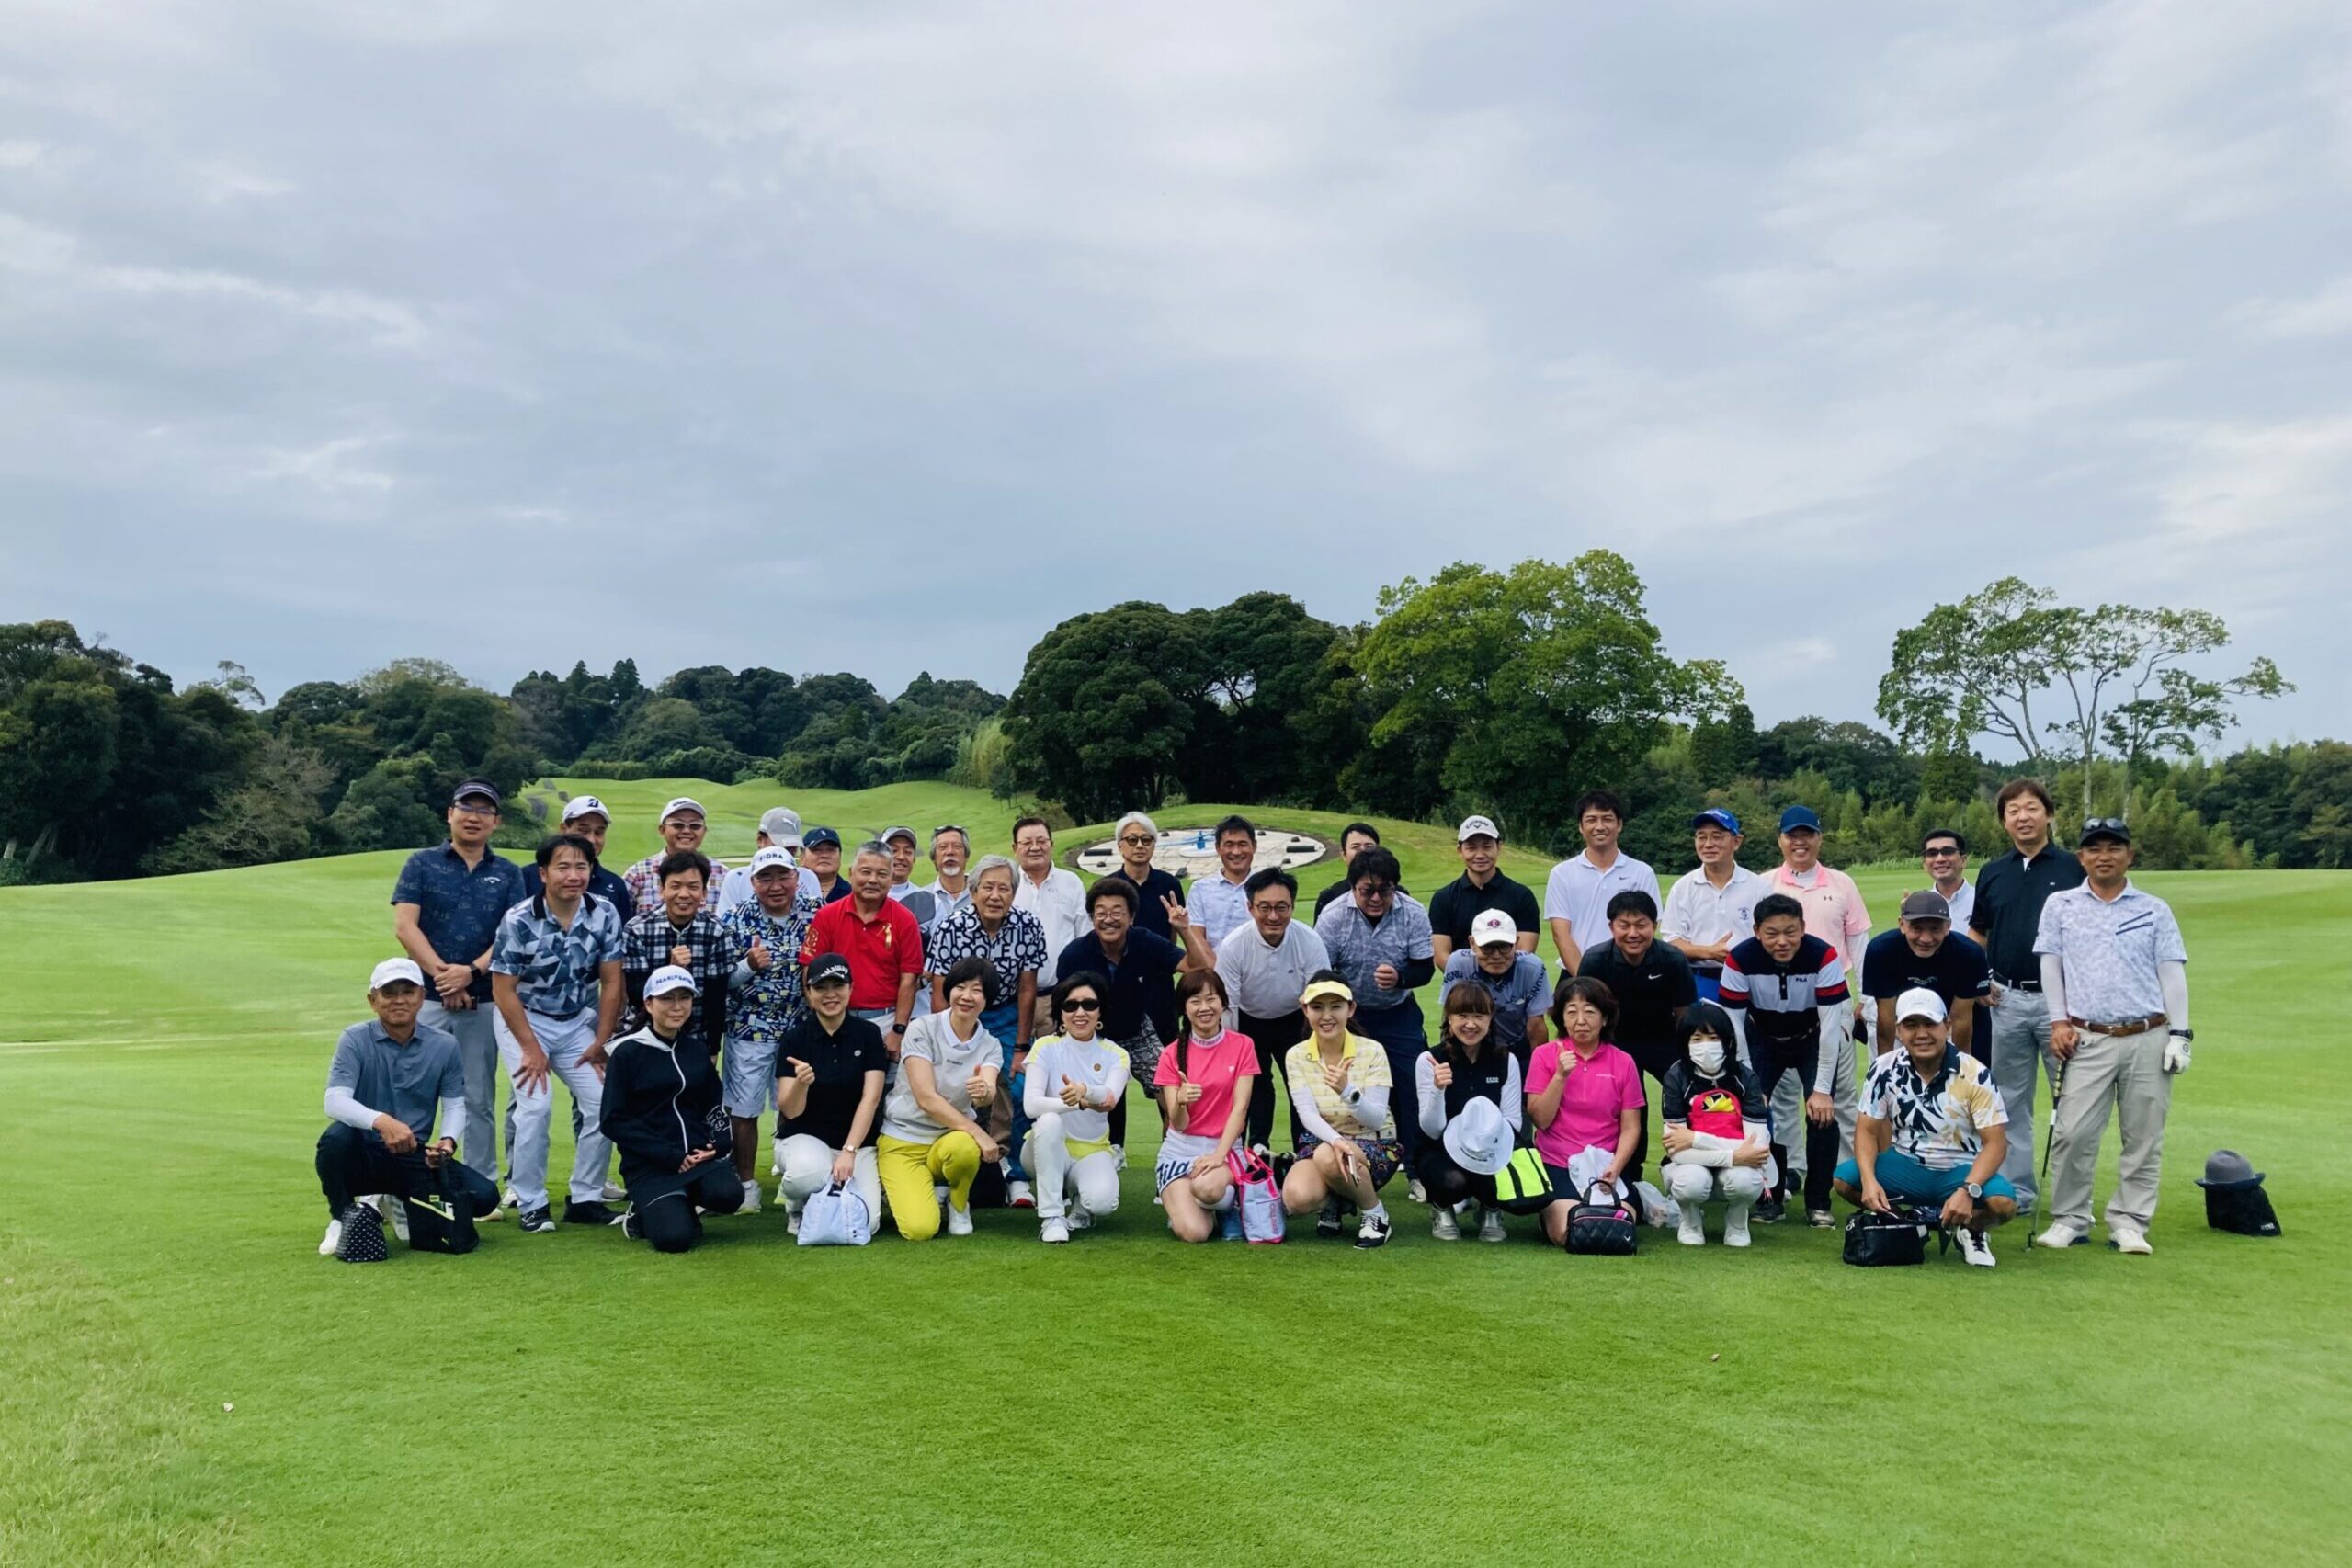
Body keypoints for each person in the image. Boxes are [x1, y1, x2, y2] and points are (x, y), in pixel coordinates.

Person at [2034, 818, 2193, 1255]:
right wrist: (2058, 1022)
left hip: (2148, 1034)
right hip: (2086, 1035)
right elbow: (2051, 966)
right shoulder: (2061, 905)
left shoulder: (2154, 909)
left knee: (2143, 1135)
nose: (2104, 856)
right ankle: (2070, 1218)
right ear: (2081, 857)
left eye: (2114, 848)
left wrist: (2181, 1034)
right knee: (2073, 1132)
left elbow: (2171, 973)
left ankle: (2130, 1221)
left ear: (2130, 855)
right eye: (2094, 849)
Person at [391, 778, 528, 1188]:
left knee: (478, 1097)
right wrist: (445, 977)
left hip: (483, 1000)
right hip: (425, 1000)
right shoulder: (421, 863)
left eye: (484, 811)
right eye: (466, 808)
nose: (474, 817)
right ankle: (403, 1182)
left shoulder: (508, 873)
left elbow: (512, 934)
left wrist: (470, 972)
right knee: (411, 1092)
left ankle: (480, 1184)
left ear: (496, 821)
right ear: (450, 814)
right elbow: (405, 926)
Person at [315, 959, 499, 1261]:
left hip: (413, 1153)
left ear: (421, 997)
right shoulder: (355, 1039)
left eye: (408, 992)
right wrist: (382, 1122)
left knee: (485, 1198)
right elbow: (334, 1100)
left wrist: (448, 1141)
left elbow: (454, 1103)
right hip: (363, 1151)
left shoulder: (444, 1045)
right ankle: (342, 1217)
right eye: (389, 993)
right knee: (335, 1139)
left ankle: (399, 1201)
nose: (399, 1000)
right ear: (373, 1001)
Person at [488, 833, 627, 1233]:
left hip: (576, 1021)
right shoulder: (519, 919)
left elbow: (612, 982)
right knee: (536, 1107)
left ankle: (585, 1197)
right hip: (524, 1019)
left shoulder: (604, 913)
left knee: (603, 1103)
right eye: (563, 867)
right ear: (543, 873)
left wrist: (601, 1041)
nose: (573, 875)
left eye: (581, 866)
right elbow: (503, 989)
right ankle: (531, 1201)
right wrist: (531, 1049)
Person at [1968, 778, 2086, 1214]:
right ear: (2003, 821)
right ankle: (2017, 1194)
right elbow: (1978, 932)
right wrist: (1979, 981)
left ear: (2049, 815)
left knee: (2074, 1103)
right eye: (2013, 811)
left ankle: (2072, 1202)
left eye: (2032, 808)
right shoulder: (1993, 872)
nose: (2023, 817)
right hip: (2007, 1001)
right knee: (2009, 1103)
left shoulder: (2074, 868)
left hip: (2064, 1007)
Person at [1835, 988, 2017, 1267]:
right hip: (1906, 1164)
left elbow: (1996, 1143)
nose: (1921, 1034)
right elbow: (1867, 1130)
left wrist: (1967, 1190)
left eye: (1930, 1024)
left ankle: (1971, 1229)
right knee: (1844, 1180)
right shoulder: (1883, 1068)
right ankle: (1906, 1225)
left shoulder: (1975, 1073)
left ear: (1947, 1026)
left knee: (2003, 1204)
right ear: (1899, 1030)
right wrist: (1869, 1182)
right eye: (1911, 1025)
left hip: (1960, 1169)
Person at [1719, 894, 1851, 1227]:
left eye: (1791, 932)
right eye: (1772, 933)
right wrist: (1751, 1086)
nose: (1782, 942)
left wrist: (1822, 1089)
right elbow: (1734, 1027)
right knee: (1753, 1113)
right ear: (1756, 931)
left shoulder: (1823, 955)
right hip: (1762, 1038)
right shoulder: (1740, 958)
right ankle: (1769, 1198)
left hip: (1811, 1037)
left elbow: (1831, 1027)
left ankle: (1818, 1203)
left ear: (1803, 928)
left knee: (1822, 1116)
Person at [1059, 878, 1212, 1157]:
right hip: (1093, 1037)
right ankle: (1107, 1153)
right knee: (1094, 1094)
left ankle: (1174, 1156)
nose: (1109, 919)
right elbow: (1063, 1006)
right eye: (1101, 913)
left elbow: (1199, 965)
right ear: (1092, 918)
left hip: (1138, 1030)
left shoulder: (1144, 941)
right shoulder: (1075, 955)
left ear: (1131, 917)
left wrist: (1184, 929)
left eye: (1117, 912)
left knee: (1172, 1092)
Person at [926, 856, 1048, 1203]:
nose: (996, 896)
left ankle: (1017, 1175)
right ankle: (944, 1174)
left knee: (1021, 1088)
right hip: (959, 1014)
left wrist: (1021, 1047)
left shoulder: (1028, 925)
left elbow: (1027, 989)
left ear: (1014, 893)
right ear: (973, 890)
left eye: (1004, 888)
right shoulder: (951, 927)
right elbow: (940, 991)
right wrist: (946, 1041)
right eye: (988, 887)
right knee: (951, 1089)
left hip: (1006, 1014)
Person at [1758, 804, 1869, 1181]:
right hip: (1778, 1003)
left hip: (1834, 999)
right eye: (1792, 835)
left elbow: (1858, 942)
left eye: (1807, 835)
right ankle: (1792, 1169)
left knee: (1840, 1091)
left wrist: (1864, 998)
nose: (1799, 842)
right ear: (1781, 840)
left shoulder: (1842, 883)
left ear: (1819, 838)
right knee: (1785, 1094)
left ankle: (1846, 1171)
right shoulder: (1764, 884)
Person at [599, 966, 743, 1253]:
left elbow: (713, 1103)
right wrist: (668, 1154)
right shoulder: (626, 1053)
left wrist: (720, 1142)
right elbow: (613, 1120)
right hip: (650, 1166)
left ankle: (679, 1205)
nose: (677, 1007)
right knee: (674, 1240)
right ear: (649, 1003)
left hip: (695, 1159)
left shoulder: (695, 1049)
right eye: (667, 999)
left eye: (684, 998)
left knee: (729, 1195)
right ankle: (643, 1214)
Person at [1312, 845, 1436, 1177]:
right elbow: (1322, 973)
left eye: (1386, 890)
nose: (1377, 898)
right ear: (1353, 887)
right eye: (1368, 890)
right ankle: (1340, 1163)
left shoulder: (1412, 913)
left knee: (1411, 1086)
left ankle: (1415, 1167)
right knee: (1340, 1087)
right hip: (1351, 1017)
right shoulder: (1333, 916)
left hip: (1398, 1012)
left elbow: (1425, 968)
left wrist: (1401, 978)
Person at [876, 957, 1005, 1241]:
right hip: (903, 1140)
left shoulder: (990, 1045)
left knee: (964, 1148)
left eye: (977, 990)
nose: (967, 996)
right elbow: (925, 1098)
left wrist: (984, 1092)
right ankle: (924, 1189)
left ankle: (958, 1203)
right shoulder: (922, 1028)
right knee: (919, 1230)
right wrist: (978, 1132)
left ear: (987, 999)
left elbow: (987, 1089)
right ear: (949, 990)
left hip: (949, 1139)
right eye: (960, 987)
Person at [1575, 889, 1697, 1183]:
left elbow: (1684, 1014)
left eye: (1641, 925)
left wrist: (1687, 1059)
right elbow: (1584, 1010)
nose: (1633, 933)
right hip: (1615, 1042)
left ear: (1654, 925)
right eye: (1624, 925)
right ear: (1611, 927)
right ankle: (1630, 1174)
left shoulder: (1672, 959)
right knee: (1630, 1106)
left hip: (1663, 1039)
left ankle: (1693, 1161)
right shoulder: (1595, 960)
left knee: (1689, 1094)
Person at [716, 846, 813, 1211]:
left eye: (783, 876)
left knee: (794, 1105)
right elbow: (721, 980)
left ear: (796, 878)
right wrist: (748, 966)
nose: (775, 886)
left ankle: (793, 1182)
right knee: (744, 1111)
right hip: (749, 1029)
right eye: (765, 878)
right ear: (753, 882)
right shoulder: (734, 919)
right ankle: (746, 1187)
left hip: (799, 1028)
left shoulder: (815, 914)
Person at [1211, 866, 1330, 1152]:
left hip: (1296, 1019)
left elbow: (1319, 998)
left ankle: (1306, 1151)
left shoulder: (1309, 941)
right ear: (1250, 907)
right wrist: (1232, 1052)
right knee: (1254, 1084)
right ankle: (1255, 1149)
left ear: (1292, 906)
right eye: (1264, 907)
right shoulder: (1233, 946)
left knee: (1302, 1085)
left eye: (1281, 907)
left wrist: (1320, 1046)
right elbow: (1228, 1006)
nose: (1273, 916)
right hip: (1248, 1020)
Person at [1280, 973, 1401, 1248]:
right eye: (1317, 1007)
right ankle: (1337, 1198)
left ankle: (1374, 1213)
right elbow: (1307, 1113)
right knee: (1296, 1198)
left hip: (1374, 1143)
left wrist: (1347, 1091)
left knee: (1328, 1156)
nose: (1327, 1016)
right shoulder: (1296, 1055)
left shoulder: (1373, 1051)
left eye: (1336, 1006)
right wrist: (1335, 1141)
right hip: (1324, 1141)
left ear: (1351, 1009)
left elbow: (1376, 1119)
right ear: (1305, 1010)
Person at [1527, 975, 1645, 1247]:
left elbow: (1631, 1127)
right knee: (1570, 1232)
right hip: (1558, 1162)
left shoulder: (1623, 1062)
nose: (1581, 1021)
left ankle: (1636, 1195)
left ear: (1604, 1019)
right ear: (1562, 1019)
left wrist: (1615, 1167)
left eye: (1590, 1012)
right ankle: (1548, 1212)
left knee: (1619, 1229)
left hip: (1606, 1163)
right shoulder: (1544, 1055)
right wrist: (1560, 1076)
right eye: (1572, 1012)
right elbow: (1540, 1120)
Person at [772, 953, 886, 1232]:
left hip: (857, 1142)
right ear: (808, 992)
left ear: (851, 988)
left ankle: (820, 1200)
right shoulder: (795, 1039)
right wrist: (801, 1083)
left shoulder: (869, 1034)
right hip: (805, 1137)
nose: (830, 994)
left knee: (866, 1224)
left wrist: (849, 1150)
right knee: (808, 1175)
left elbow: (870, 1098)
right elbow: (790, 1111)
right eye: (821, 987)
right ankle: (796, 1203)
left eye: (838, 985)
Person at [1021, 971, 1131, 1243]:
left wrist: (1085, 1090)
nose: (1080, 1013)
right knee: (1049, 1121)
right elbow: (1031, 1106)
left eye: (1089, 1005)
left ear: (1100, 1011)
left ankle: (1082, 1200)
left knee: (1103, 1202)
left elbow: (1109, 1099)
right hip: (1044, 1147)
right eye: (1070, 1006)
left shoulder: (1116, 1054)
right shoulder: (1045, 1047)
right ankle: (1052, 1216)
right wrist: (1077, 1103)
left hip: (1092, 1149)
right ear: (1060, 1013)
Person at [1153, 971, 1259, 1244]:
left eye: (1211, 999)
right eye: (1195, 1001)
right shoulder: (1171, 1054)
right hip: (1179, 1151)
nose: (1204, 1008)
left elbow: (1240, 1108)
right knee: (1194, 1233)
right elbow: (1179, 1123)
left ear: (1223, 1003)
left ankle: (1226, 1205)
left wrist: (1219, 1155)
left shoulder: (1243, 1045)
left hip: (1225, 1148)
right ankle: (1200, 1208)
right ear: (1184, 1008)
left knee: (1207, 1188)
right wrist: (1180, 1101)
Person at [1414, 983, 1524, 1243]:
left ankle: (1491, 1208)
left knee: (1507, 1181)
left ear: (1490, 1018)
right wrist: (1438, 1090)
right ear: (1449, 1018)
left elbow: (1513, 1122)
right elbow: (1432, 1129)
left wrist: (1484, 1146)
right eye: (1462, 1015)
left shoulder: (1506, 1060)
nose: (1471, 1024)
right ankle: (1442, 1208)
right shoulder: (1430, 1060)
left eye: (1479, 1015)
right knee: (1452, 1181)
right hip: (1441, 1149)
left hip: (1493, 1150)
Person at [1657, 1002, 1772, 1247]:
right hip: (1691, 1165)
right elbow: (1677, 1151)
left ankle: (1738, 1220)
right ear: (1686, 1043)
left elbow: (1758, 1149)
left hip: (1732, 1165)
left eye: (1713, 1037)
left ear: (1727, 1041)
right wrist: (1734, 1155)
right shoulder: (1676, 1077)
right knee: (1691, 1182)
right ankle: (1690, 1220)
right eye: (1697, 1039)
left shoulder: (1745, 1078)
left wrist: (1695, 1139)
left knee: (1746, 1181)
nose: (1705, 1046)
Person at [799, 840, 923, 1054]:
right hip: (834, 1017)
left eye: (882, 874)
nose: (873, 880)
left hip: (884, 1020)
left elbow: (909, 979)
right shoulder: (827, 916)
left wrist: (898, 1030)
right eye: (866, 872)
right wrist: (818, 1016)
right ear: (851, 873)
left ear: (891, 878)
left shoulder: (905, 920)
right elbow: (809, 968)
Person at [619, 851, 731, 1055]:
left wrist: (713, 1049)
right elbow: (636, 994)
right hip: (645, 1031)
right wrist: (671, 971)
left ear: (704, 893)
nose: (684, 894)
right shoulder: (638, 929)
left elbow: (716, 998)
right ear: (662, 890)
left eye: (693, 887)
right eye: (675, 886)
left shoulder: (716, 931)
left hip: (694, 1037)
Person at [1542, 790, 1661, 972]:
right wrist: (1584, 980)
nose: (1599, 826)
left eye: (1607, 819)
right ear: (1581, 827)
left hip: (1630, 974)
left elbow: (1648, 927)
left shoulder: (1642, 872)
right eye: (1591, 820)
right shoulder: (1562, 873)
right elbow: (1561, 934)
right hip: (1576, 974)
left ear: (1619, 824)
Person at [1860, 891, 1990, 1057]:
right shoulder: (1881, 951)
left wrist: (1961, 1065)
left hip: (1945, 1022)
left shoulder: (1969, 953)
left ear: (1948, 927)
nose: (1926, 939)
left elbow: (1960, 1019)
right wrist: (1884, 1064)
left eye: (1935, 929)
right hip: (1900, 1019)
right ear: (1902, 924)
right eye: (1917, 929)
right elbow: (1887, 1017)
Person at [1660, 808, 1762, 1000]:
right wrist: (1708, 952)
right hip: (1699, 981)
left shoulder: (1759, 886)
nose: (1708, 844)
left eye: (1717, 837)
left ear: (1737, 841)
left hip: (1750, 981)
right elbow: (1671, 943)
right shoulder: (1683, 887)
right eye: (1701, 837)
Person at [1427, 814, 1540, 967]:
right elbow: (1441, 956)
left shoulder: (1521, 896)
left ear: (1499, 847)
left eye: (1487, 847)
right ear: (1460, 850)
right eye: (1471, 848)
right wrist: (1470, 979)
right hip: (1461, 981)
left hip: (1512, 981)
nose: (1480, 855)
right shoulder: (1443, 898)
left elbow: (1524, 953)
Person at [1438, 911, 1551, 1064]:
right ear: (1472, 944)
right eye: (1487, 948)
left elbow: (1536, 1025)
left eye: (1504, 947)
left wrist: (1540, 1067)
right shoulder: (1458, 963)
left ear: (1516, 943)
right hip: (1471, 1048)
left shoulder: (1532, 967)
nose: (1496, 955)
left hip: (1517, 1048)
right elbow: (1452, 1017)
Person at [1011, 816, 1088, 1036]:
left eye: (1042, 841)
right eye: (1027, 842)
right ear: (1015, 848)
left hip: (1060, 996)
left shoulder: (1071, 882)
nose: (1035, 847)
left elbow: (1084, 936)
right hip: (1013, 1000)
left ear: (1051, 845)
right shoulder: (1007, 884)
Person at [523, 794, 634, 920]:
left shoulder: (614, 884)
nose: (591, 840)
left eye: (599, 832)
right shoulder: (528, 877)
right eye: (583, 831)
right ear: (563, 829)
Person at [622, 797, 729, 915]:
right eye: (678, 825)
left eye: (695, 826)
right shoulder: (637, 874)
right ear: (662, 830)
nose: (686, 831)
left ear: (704, 831)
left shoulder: (723, 875)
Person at [1098, 811, 1186, 940]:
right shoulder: (1105, 887)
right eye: (1132, 840)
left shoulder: (1170, 884)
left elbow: (1175, 933)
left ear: (1153, 845)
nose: (1140, 845)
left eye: (1146, 840)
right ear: (1120, 846)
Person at [716, 807, 816, 915]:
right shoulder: (736, 879)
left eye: (792, 848)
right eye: (780, 846)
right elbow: (725, 922)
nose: (785, 854)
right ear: (760, 840)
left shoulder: (808, 877)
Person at [1185, 813, 1258, 949]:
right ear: (1218, 848)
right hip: (1212, 962)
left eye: (1242, 844)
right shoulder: (1200, 889)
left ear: (1254, 846)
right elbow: (1197, 941)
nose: (1236, 852)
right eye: (1229, 845)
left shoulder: (1266, 887)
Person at [1312, 823, 1393, 918]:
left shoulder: (1396, 893)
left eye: (1369, 846)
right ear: (1344, 855)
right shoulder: (1329, 897)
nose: (1362, 851)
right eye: (1355, 847)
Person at [881, 825, 940, 935]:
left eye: (908, 852)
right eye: (894, 851)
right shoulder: (865, 897)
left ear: (914, 859)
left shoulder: (931, 901)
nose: (901, 857)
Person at [1921, 826, 1974, 933]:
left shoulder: (1981, 900)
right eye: (1932, 853)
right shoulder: (1920, 904)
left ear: (1963, 860)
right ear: (1924, 865)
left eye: (1948, 851)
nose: (1940, 859)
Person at [922, 824, 975, 926]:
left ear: (966, 856)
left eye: (957, 846)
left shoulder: (982, 894)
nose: (950, 852)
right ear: (934, 858)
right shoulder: (922, 898)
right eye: (943, 847)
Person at [798, 826, 850, 904]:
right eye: (817, 850)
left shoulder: (852, 894)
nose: (825, 855)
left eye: (831, 850)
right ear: (802, 857)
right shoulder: (791, 891)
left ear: (840, 856)